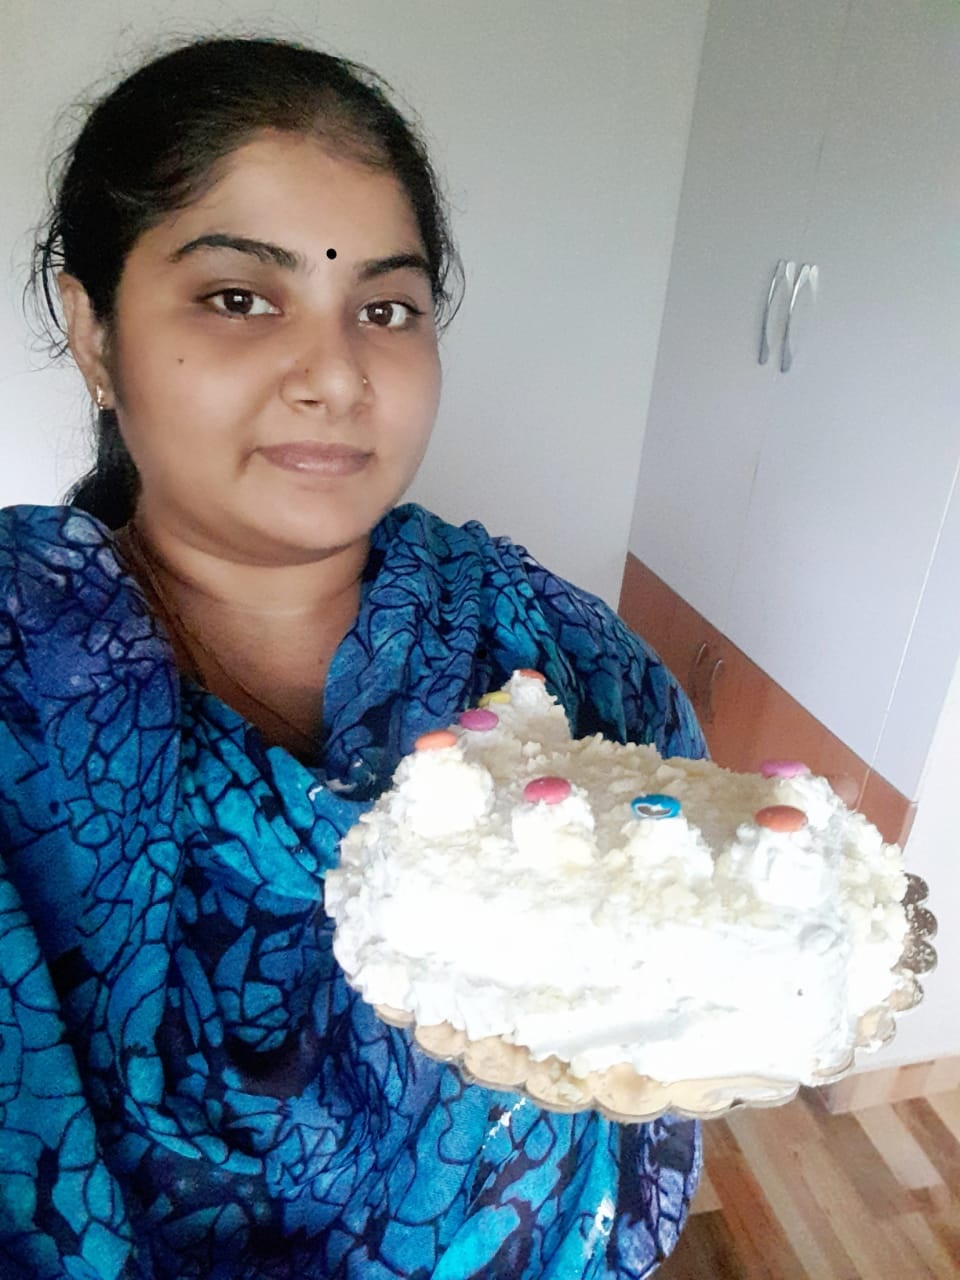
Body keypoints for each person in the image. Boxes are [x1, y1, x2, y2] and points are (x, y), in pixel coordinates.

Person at [0, 37, 706, 1279]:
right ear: (94, 331)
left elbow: (689, 990)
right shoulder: (23, 681)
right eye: (238, 297)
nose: (335, 374)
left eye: (385, 309)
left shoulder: (570, 663)